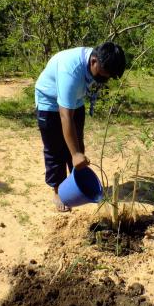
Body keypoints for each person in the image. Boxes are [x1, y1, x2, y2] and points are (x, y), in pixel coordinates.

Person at [35, 42, 126, 212]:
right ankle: (58, 191)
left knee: (76, 144)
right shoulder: (70, 71)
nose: (105, 80)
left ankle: (74, 184)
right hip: (49, 102)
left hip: (75, 101)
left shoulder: (97, 59)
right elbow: (65, 116)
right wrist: (76, 154)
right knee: (55, 149)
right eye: (104, 75)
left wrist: (77, 153)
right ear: (93, 62)